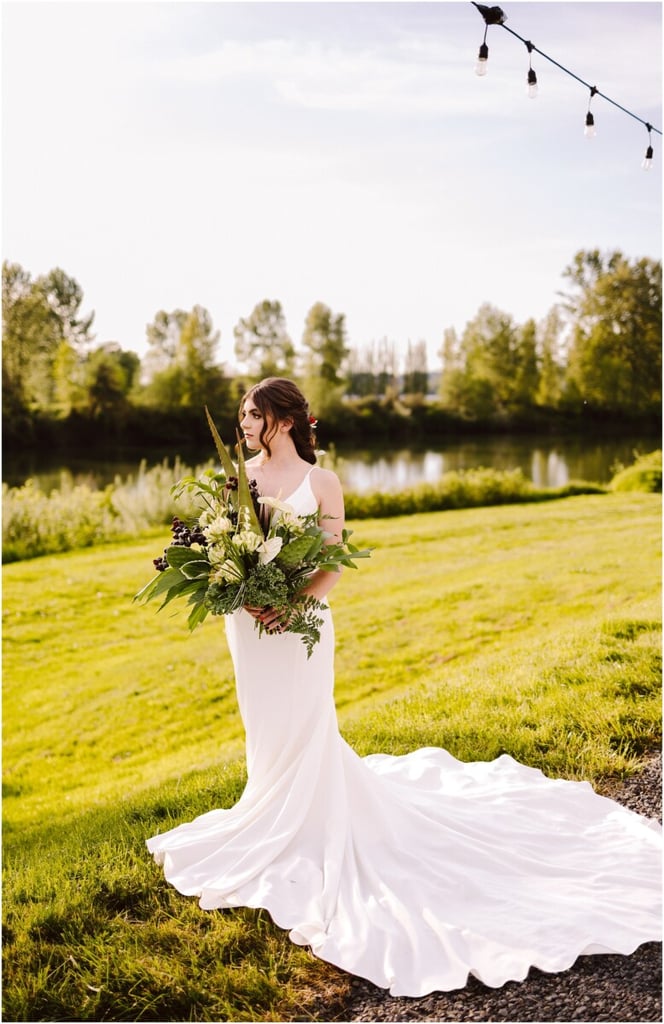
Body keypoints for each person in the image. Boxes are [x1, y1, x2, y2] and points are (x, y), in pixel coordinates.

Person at [147, 377, 661, 998]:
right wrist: (241, 592)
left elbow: (331, 563)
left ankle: (308, 823)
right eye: (242, 413)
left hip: (301, 623)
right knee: (264, 725)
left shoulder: (322, 482)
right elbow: (222, 551)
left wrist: (292, 604)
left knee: (305, 723)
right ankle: (266, 809)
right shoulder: (237, 479)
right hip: (250, 628)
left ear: (285, 420)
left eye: (255, 414)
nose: (245, 423)